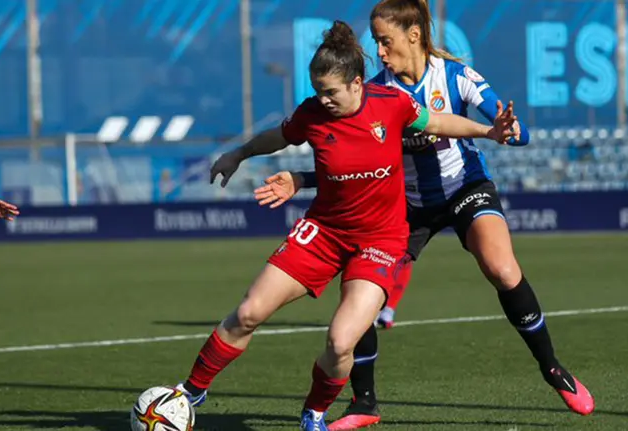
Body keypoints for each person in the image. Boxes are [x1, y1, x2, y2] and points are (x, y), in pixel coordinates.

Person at [251, 1, 595, 429]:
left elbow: (511, 130)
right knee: (360, 298)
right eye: (375, 40)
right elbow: (352, 167)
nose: (378, 48)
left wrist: (508, 131)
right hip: (405, 207)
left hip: (464, 189)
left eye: (385, 39)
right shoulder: (374, 93)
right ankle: (364, 404)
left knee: (502, 269)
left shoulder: (456, 76)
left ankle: (552, 369)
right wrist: (302, 180)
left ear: (414, 35)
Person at [173, 20, 513, 431]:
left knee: (339, 341)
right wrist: (240, 153)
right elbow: (277, 138)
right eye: (317, 91)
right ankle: (191, 391)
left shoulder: (391, 103)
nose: (323, 99)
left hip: (381, 240)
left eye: (330, 91)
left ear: (356, 83)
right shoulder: (312, 114)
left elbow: (440, 123)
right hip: (324, 231)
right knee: (248, 312)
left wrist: (488, 131)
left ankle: (314, 413)